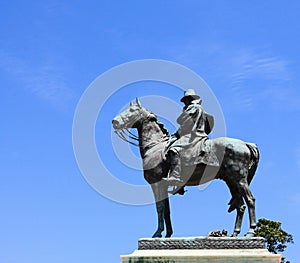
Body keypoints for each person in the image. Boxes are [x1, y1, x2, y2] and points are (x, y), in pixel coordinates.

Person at [163, 89, 216, 188]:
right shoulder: (198, 108)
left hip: (193, 135)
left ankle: (175, 176)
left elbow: (186, 124)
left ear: (191, 99)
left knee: (174, 149)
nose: (185, 102)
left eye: (187, 99)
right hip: (198, 134)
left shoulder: (193, 108)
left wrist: (177, 134)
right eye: (184, 100)